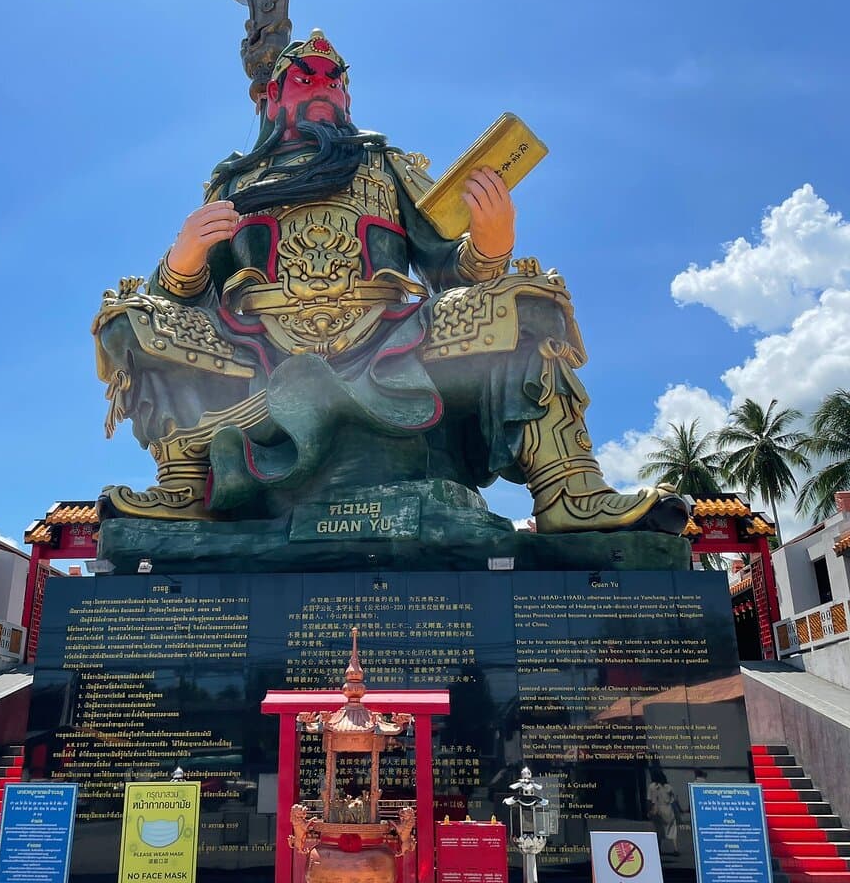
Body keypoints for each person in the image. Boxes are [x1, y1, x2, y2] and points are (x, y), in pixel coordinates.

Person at [93, 30, 687, 535]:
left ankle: (568, 489)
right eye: (305, 78)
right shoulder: (235, 183)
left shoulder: (387, 167)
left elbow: (446, 269)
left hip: (387, 337)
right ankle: (184, 488)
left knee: (526, 301)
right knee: (131, 319)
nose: (323, 87)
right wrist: (187, 254)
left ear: (348, 93)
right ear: (273, 97)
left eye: (334, 79)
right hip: (259, 347)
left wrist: (491, 242)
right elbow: (179, 298)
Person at [647, 766, 680, 857]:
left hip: (657, 809)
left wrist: (649, 810)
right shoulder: (668, 787)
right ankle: (675, 848)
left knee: (658, 829)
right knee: (672, 829)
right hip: (668, 809)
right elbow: (674, 800)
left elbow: (650, 800)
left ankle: (659, 848)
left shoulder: (652, 786)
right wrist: (679, 811)